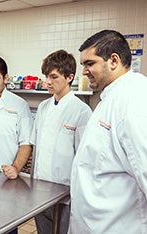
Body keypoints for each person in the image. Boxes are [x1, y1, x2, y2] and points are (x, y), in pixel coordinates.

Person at [69, 29, 147, 233]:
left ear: (113, 60)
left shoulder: (135, 100)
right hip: (95, 223)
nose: (84, 71)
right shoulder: (111, 97)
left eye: (89, 63)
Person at [30, 50, 92, 234]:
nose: (47, 82)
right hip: (40, 188)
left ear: (69, 77)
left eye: (53, 76)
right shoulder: (43, 107)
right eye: (46, 76)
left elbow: (83, 159)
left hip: (66, 193)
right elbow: (37, 149)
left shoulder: (81, 111)